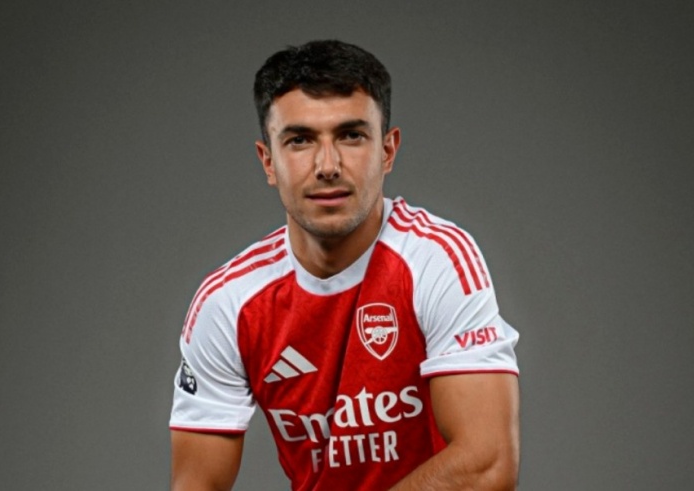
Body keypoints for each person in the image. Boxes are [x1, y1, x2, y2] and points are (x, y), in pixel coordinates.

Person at [170, 39, 520, 491]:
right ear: (268, 161)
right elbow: (197, 484)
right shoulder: (229, 304)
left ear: (388, 151)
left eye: (351, 135)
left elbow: (487, 464)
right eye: (300, 140)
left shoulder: (438, 260)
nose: (328, 165)